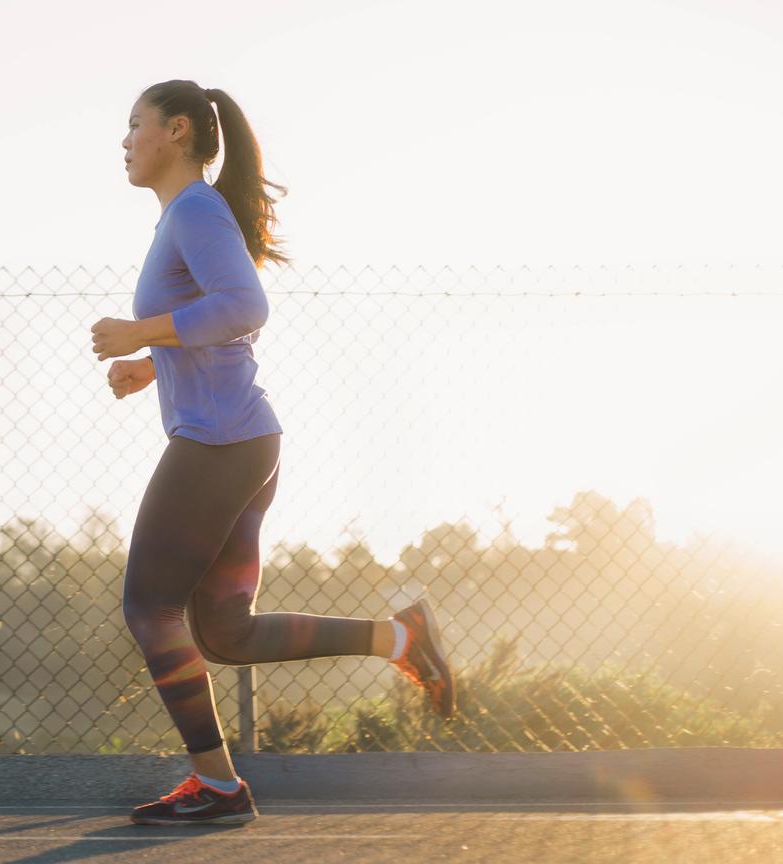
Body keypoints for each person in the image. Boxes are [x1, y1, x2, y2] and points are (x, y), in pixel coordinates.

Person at [91, 79, 457, 827]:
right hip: (244, 441)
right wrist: (151, 363)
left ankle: (219, 787)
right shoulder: (185, 216)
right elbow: (218, 325)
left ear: (179, 131)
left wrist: (140, 333)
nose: (125, 140)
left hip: (221, 444)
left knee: (150, 606)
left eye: (136, 125)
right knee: (224, 632)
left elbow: (245, 307)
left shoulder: (193, 209)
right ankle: (402, 637)